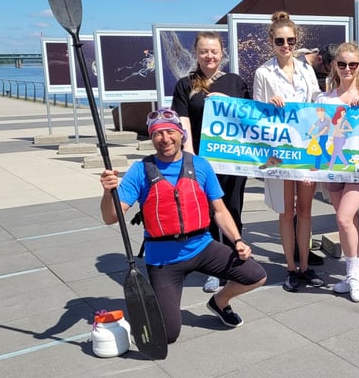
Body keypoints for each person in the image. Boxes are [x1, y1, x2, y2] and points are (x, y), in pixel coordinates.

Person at [99, 108, 266, 343]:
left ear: (181, 134)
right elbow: (110, 217)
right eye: (157, 133)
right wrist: (108, 192)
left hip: (202, 247)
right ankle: (160, 303)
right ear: (151, 137)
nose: (164, 138)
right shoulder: (140, 170)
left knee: (256, 275)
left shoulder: (200, 165)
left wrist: (238, 240)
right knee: (168, 334)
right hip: (164, 259)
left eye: (170, 132)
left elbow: (220, 211)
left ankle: (219, 302)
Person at [252, 11, 326, 292]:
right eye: (280, 41)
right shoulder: (263, 73)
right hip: (281, 150)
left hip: (306, 148)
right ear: (271, 42)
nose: (286, 46)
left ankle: (305, 266)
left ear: (297, 41)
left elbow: (317, 101)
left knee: (305, 210)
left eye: (290, 41)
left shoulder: (306, 69)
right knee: (286, 212)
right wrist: (268, 104)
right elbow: (256, 114)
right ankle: (291, 269)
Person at [171, 31, 249, 294]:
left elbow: (250, 117)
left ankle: (235, 257)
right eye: (204, 51)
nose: (209, 56)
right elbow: (183, 123)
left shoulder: (235, 81)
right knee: (207, 214)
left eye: (214, 51)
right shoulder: (185, 85)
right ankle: (214, 269)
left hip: (233, 159)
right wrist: (191, 159)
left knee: (232, 208)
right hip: (203, 162)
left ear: (221, 53)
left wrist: (229, 102)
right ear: (196, 53)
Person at [315, 42, 359, 302]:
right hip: (333, 168)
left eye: (352, 64)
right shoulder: (324, 99)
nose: (347, 69)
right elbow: (316, 126)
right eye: (342, 64)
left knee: (344, 219)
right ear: (335, 65)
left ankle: (353, 273)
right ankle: (358, 275)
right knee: (349, 223)